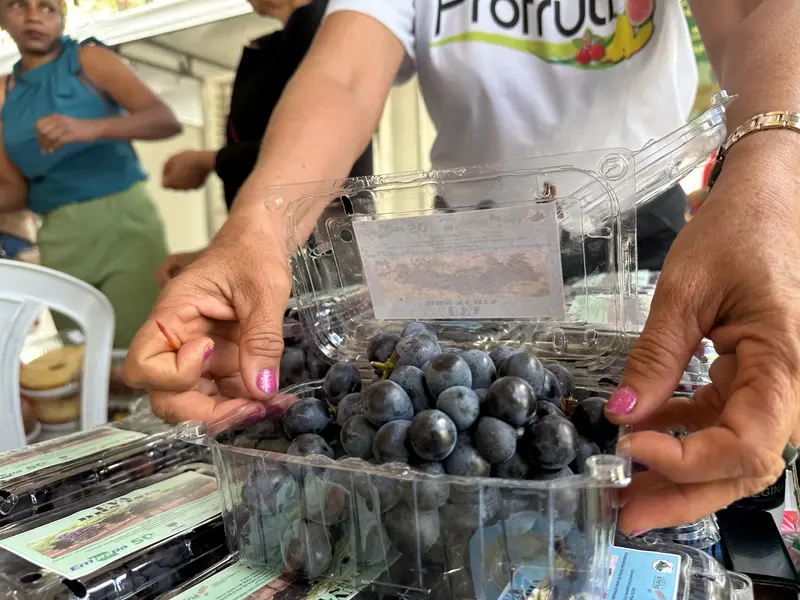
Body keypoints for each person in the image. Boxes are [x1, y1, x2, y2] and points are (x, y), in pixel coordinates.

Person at [124, 0, 800, 534]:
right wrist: (255, 236)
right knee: (466, 468)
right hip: (466, 255)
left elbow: (757, 15)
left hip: (636, 244)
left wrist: (771, 178)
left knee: (643, 455)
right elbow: (343, 76)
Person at [0, 0, 181, 348]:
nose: (34, 15)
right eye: (19, 5)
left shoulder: (88, 60)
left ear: (63, 16)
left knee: (142, 353)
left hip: (124, 223)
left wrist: (90, 128)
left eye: (48, 7)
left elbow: (165, 120)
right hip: (56, 237)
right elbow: (14, 193)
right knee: (84, 360)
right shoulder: (4, 94)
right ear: (3, 17)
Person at [156, 0, 372, 285]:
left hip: (319, 250)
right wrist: (214, 252)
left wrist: (210, 161)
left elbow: (312, 147)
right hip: (292, 248)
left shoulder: (317, 28)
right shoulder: (287, 39)